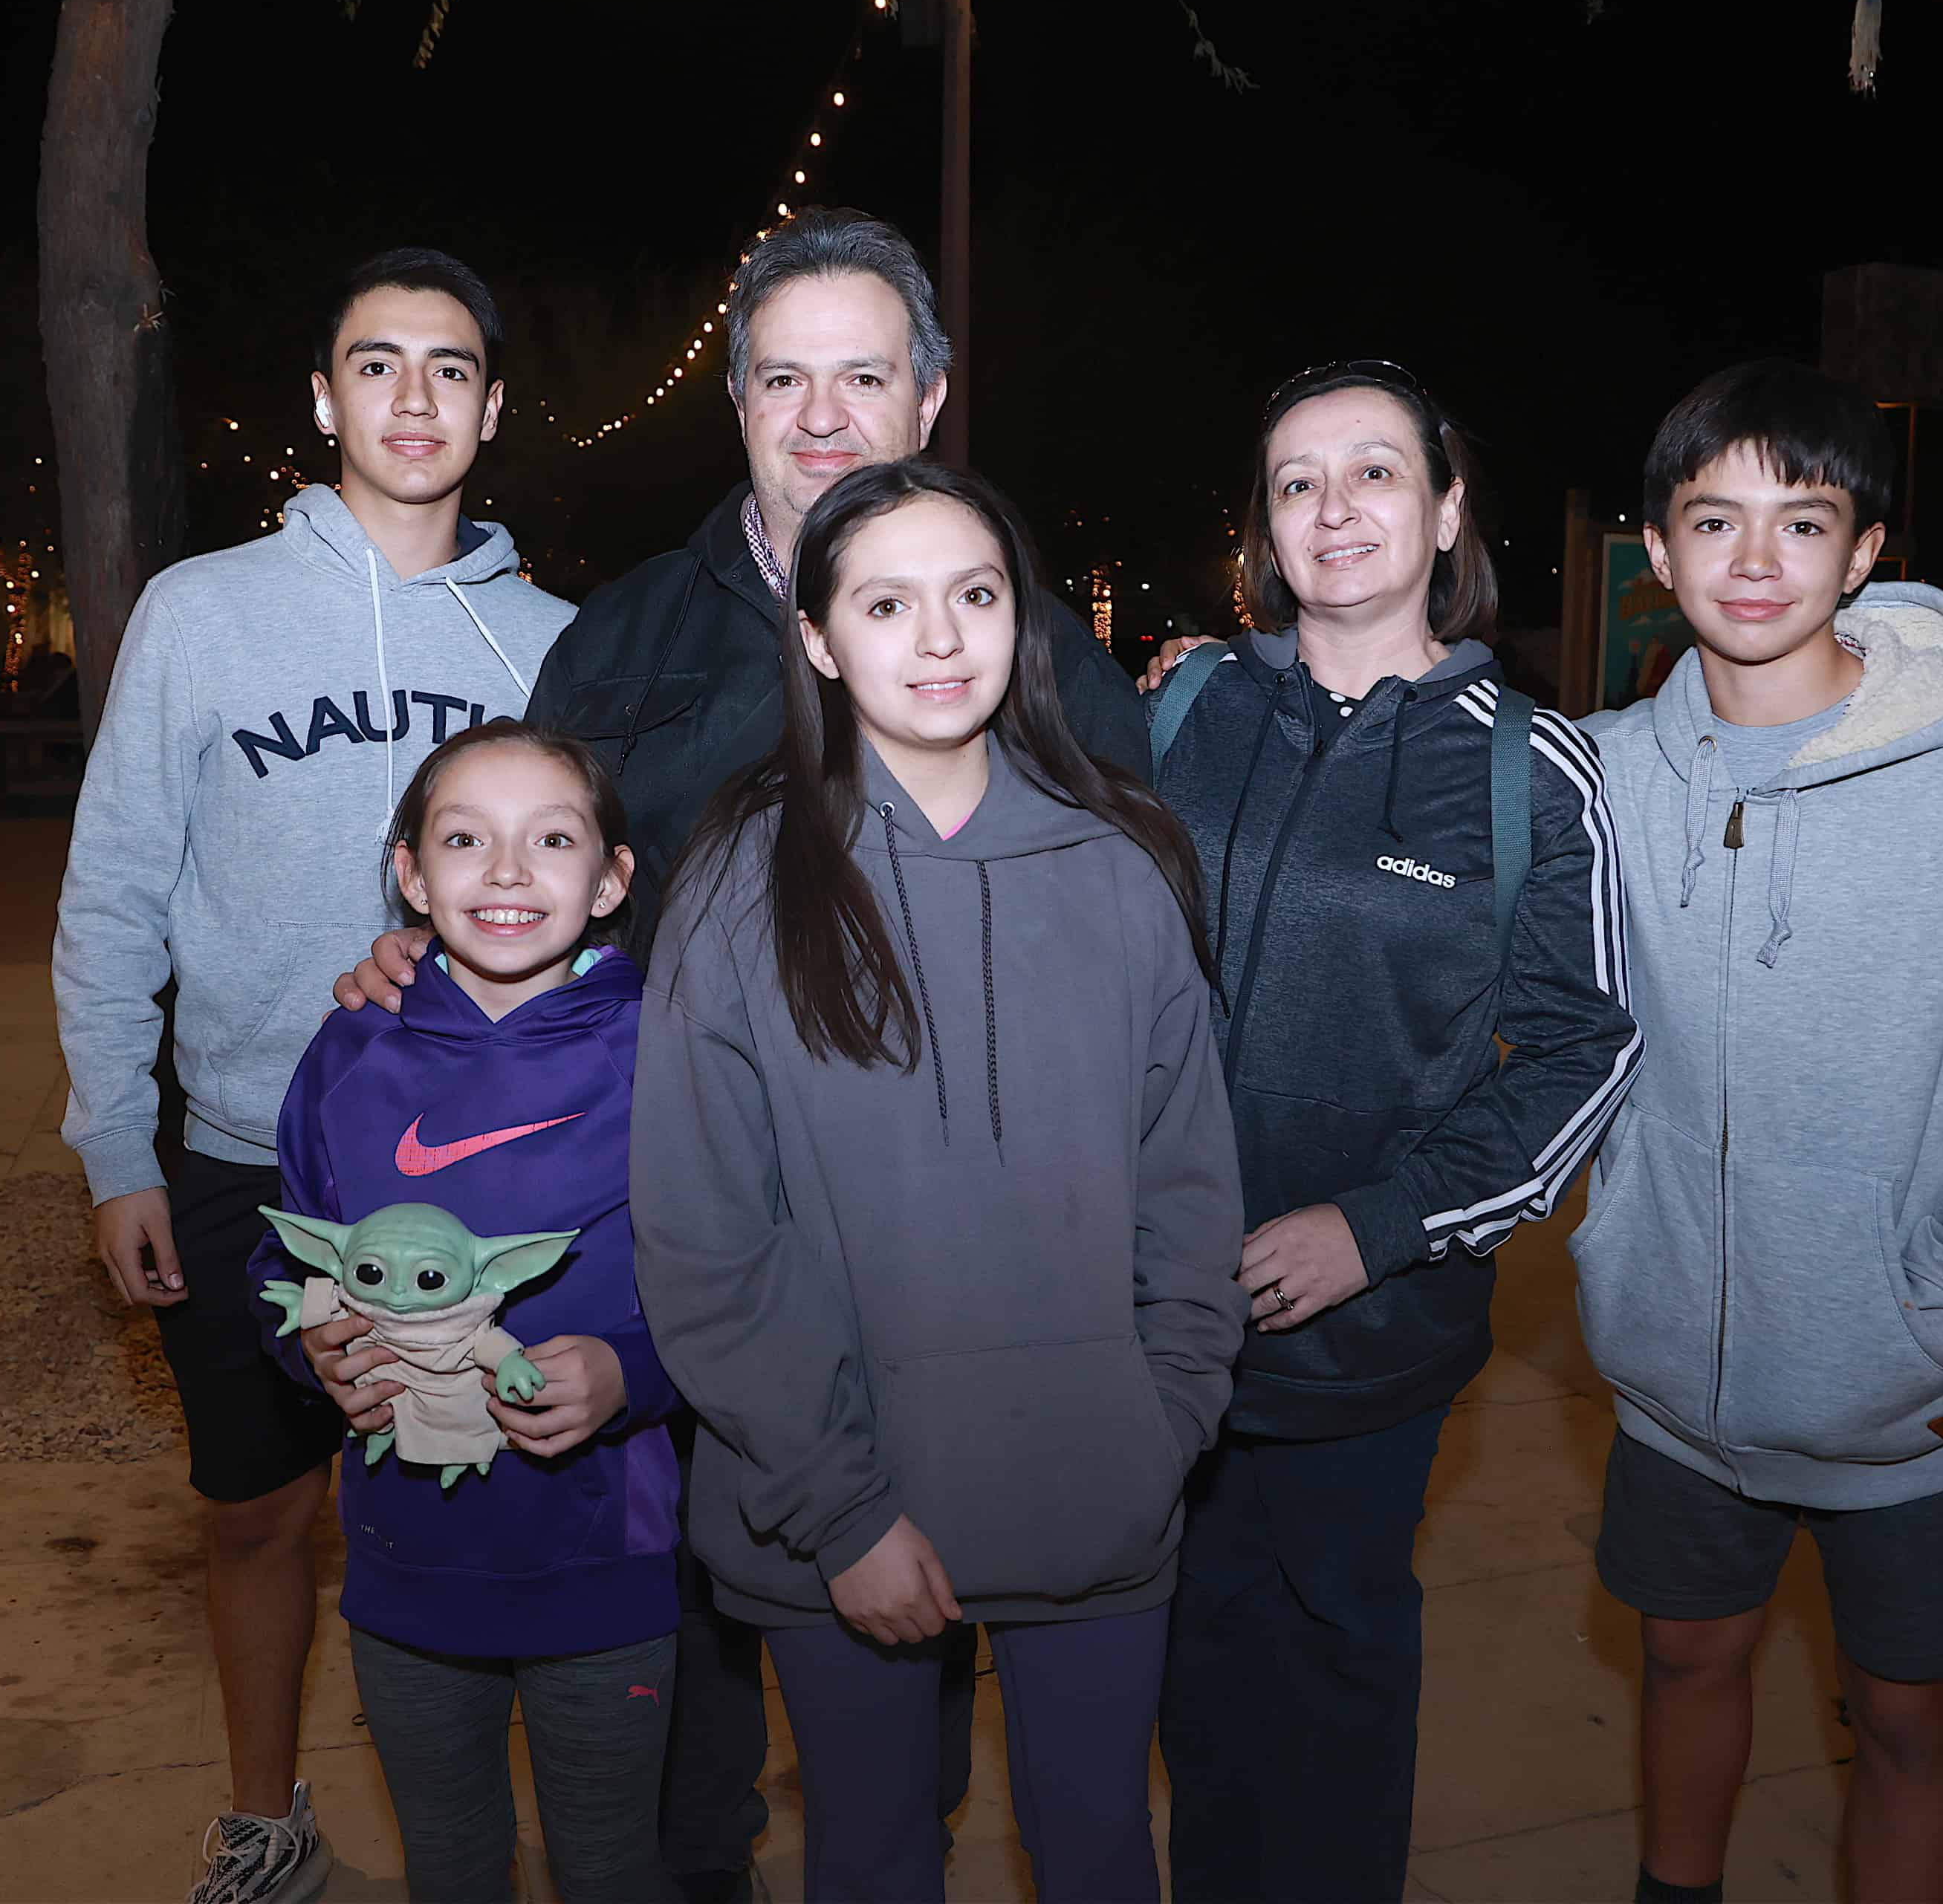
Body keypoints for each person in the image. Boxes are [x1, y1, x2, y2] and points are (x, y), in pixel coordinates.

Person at [337, 209, 1142, 1901]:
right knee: (687, 1729)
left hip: (952, 1286)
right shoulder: (621, 640)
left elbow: (1144, 972)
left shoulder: (1037, 647)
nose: (826, 412)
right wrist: (424, 955)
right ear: (740, 402)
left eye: (865, 372)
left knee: (905, 1736)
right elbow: (522, 857)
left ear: (931, 393)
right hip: (664, 1261)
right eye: (787, 376)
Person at [632, 460, 1247, 1903]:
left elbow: (1192, 1189)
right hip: (842, 1510)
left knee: (1101, 1849)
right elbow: (705, 1236)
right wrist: (839, 1509)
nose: (940, 638)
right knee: (873, 1850)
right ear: (819, 638)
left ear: (1021, 623)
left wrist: (1162, 1422)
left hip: (1097, 1487)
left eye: (975, 595)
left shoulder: (1122, 864)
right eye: (887, 602)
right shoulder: (737, 883)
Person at [1576, 360, 1943, 1904]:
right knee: (1686, 1663)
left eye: (1801, 519)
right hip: (1675, 1389)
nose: (1756, 561)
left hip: (1909, 1400)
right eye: (1715, 519)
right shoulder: (1606, 783)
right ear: (1659, 543)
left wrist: (1940, 1313)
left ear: (1864, 550)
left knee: (1907, 1721)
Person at [53, 247, 575, 1904]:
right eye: (377, 364)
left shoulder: (557, 646)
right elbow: (115, 887)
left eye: (447, 368)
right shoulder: (201, 614)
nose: (412, 398)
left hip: (477, 1168)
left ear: (491, 408)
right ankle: (264, 1818)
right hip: (238, 1158)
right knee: (262, 1513)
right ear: (323, 396)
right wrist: (113, 1146)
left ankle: (543, 1835)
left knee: (491, 1514)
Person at [1144, 361, 1641, 1904]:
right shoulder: (1182, 706)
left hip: (1367, 1348)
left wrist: (1375, 1228)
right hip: (1153, 1324)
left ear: (1445, 509)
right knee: (1192, 1680)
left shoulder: (1528, 768)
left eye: (1372, 472)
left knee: (1338, 1676)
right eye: (1296, 481)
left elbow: (1581, 1057)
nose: (1334, 507)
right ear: (1264, 527)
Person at [250, 718, 680, 1903]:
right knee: (448, 1859)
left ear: (611, 879)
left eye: (551, 839)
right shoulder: (351, 1051)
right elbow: (283, 1258)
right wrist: (310, 1351)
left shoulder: (673, 1048)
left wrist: (634, 1376)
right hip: (405, 1565)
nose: (504, 872)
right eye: (462, 838)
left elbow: (754, 1283)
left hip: (610, 1561)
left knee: (610, 1864)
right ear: (409, 871)